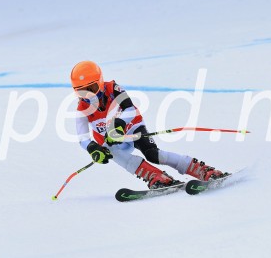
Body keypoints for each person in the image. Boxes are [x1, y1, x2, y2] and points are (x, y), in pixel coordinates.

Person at [71, 60, 228, 189]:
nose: (88, 95)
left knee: (153, 154)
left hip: (132, 128)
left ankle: (202, 171)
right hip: (111, 141)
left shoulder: (113, 88)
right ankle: (157, 177)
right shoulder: (82, 109)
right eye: (81, 91)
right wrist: (92, 148)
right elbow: (82, 138)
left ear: (100, 82)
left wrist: (119, 123)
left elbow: (129, 108)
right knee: (114, 154)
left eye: (91, 88)